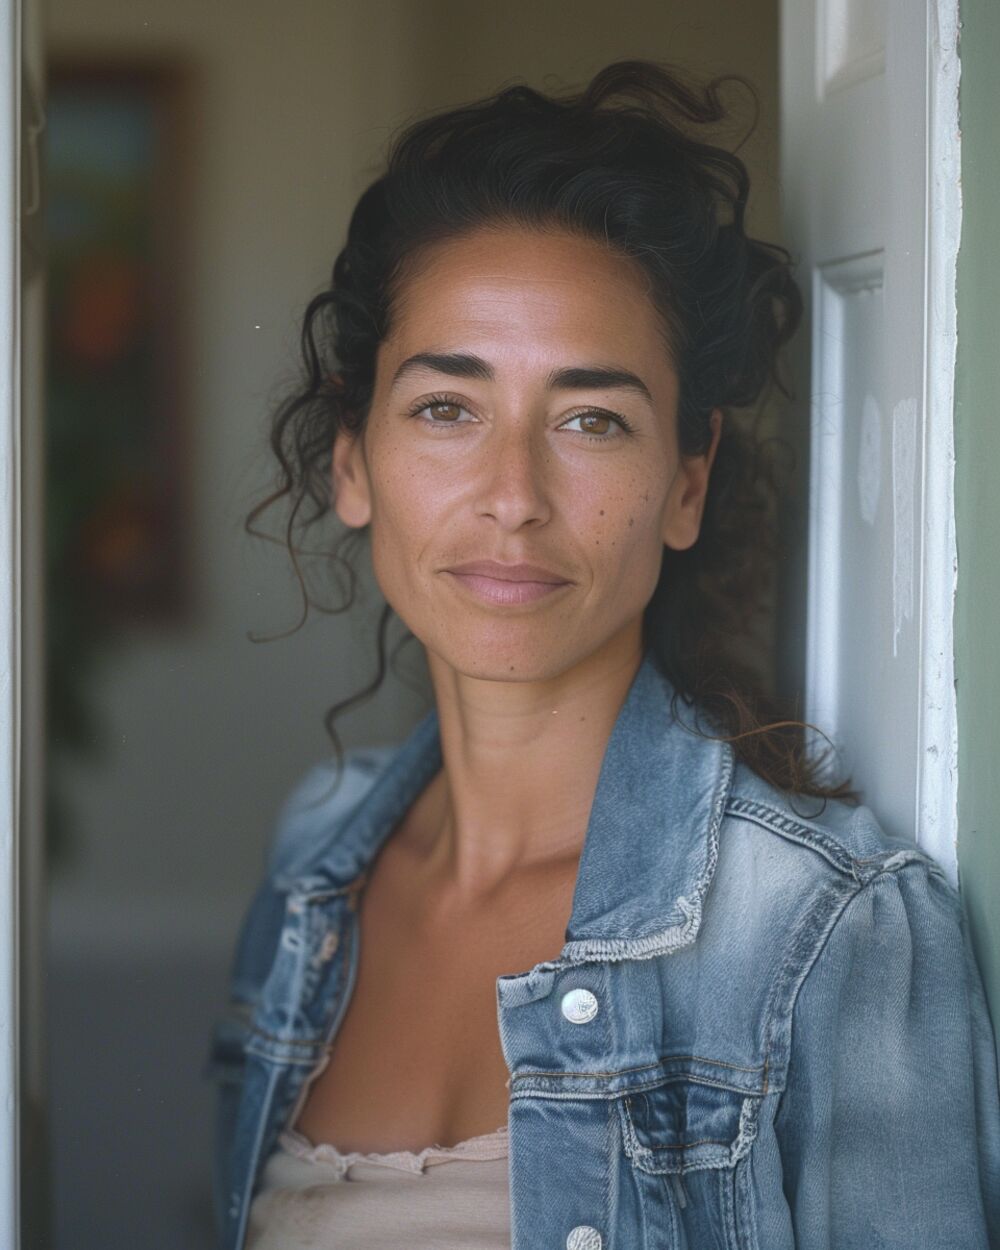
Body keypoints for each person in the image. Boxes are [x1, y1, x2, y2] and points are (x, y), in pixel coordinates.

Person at [206, 60, 1000, 1250]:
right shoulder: (314, 866)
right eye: (445, 407)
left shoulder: (829, 932)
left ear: (686, 480)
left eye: (591, 419)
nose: (513, 496)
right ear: (351, 458)